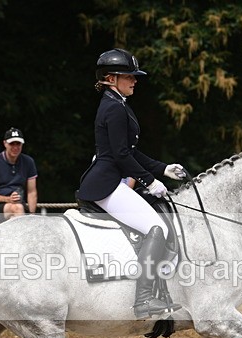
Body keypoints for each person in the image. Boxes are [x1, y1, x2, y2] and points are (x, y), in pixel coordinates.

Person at [78, 48, 186, 320]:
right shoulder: (113, 107)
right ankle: (144, 300)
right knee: (156, 227)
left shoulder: (118, 104)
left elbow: (131, 151)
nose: (135, 80)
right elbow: (120, 155)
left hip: (110, 179)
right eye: (129, 76)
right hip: (105, 184)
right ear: (111, 78)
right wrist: (150, 181)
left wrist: (163, 169)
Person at [0, 127, 38, 221]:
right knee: (17, 208)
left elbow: (32, 192)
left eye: (18, 144)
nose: (15, 147)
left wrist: (32, 215)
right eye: (12, 143)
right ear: (5, 143)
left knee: (19, 208)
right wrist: (8, 199)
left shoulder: (28, 162)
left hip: (20, 205)